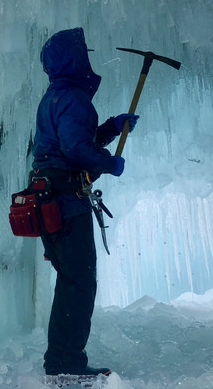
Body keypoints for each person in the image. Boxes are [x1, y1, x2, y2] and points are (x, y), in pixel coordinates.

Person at [31, 27, 139, 377]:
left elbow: (72, 138)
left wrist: (111, 127)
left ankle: (61, 359)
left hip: (49, 199)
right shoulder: (73, 98)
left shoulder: (55, 96)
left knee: (70, 279)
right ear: (74, 59)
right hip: (65, 202)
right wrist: (109, 162)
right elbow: (76, 148)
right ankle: (64, 363)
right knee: (79, 281)